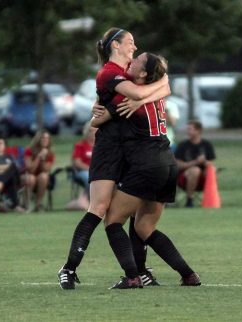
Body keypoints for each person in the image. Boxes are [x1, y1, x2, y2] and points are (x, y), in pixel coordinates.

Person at [58, 27, 170, 290]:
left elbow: (166, 84)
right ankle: (68, 268)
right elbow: (150, 90)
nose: (135, 45)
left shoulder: (134, 67)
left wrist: (134, 102)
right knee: (98, 208)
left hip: (132, 151)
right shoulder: (109, 73)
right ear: (115, 46)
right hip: (109, 150)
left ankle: (139, 271)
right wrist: (135, 101)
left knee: (129, 214)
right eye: (130, 41)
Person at [93, 52, 200, 289]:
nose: (131, 61)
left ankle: (132, 277)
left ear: (142, 74)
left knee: (112, 221)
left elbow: (96, 122)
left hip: (147, 166)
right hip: (168, 164)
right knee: (144, 228)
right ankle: (188, 274)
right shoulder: (157, 94)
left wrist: (101, 103)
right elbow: (162, 84)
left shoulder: (126, 96)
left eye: (137, 61)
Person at [174, 120, 216, 208]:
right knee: (195, 170)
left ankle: (211, 201)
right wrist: (196, 162)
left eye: (190, 129)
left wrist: (204, 162)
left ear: (199, 131)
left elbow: (210, 163)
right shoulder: (183, 145)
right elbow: (178, 165)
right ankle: (189, 200)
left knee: (211, 170)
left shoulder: (206, 145)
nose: (187, 131)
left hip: (203, 180)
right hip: (183, 179)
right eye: (187, 129)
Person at [66, 122, 97, 210]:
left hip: (98, 171)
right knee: (89, 177)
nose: (93, 133)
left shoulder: (100, 145)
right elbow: (77, 162)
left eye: (95, 130)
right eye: (90, 131)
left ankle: (84, 200)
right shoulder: (80, 145)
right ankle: (87, 200)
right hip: (82, 171)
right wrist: (91, 169)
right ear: (86, 132)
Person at [23, 130, 55, 211]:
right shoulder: (29, 151)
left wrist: (43, 159)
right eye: (43, 138)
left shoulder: (50, 154)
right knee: (31, 178)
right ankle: (27, 204)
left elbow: (46, 169)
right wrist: (38, 157)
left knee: (43, 176)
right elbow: (30, 169)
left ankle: (38, 204)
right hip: (27, 176)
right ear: (38, 139)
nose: (45, 140)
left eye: (47, 138)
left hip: (41, 179)